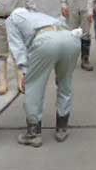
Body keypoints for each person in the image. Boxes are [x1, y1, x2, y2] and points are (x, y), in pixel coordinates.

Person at [6, 8, 82, 148]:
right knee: (65, 82)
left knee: (34, 85)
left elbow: (17, 47)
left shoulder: (11, 20)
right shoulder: (40, 15)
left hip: (46, 41)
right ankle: (62, 129)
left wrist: (24, 71)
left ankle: (33, 134)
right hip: (71, 38)